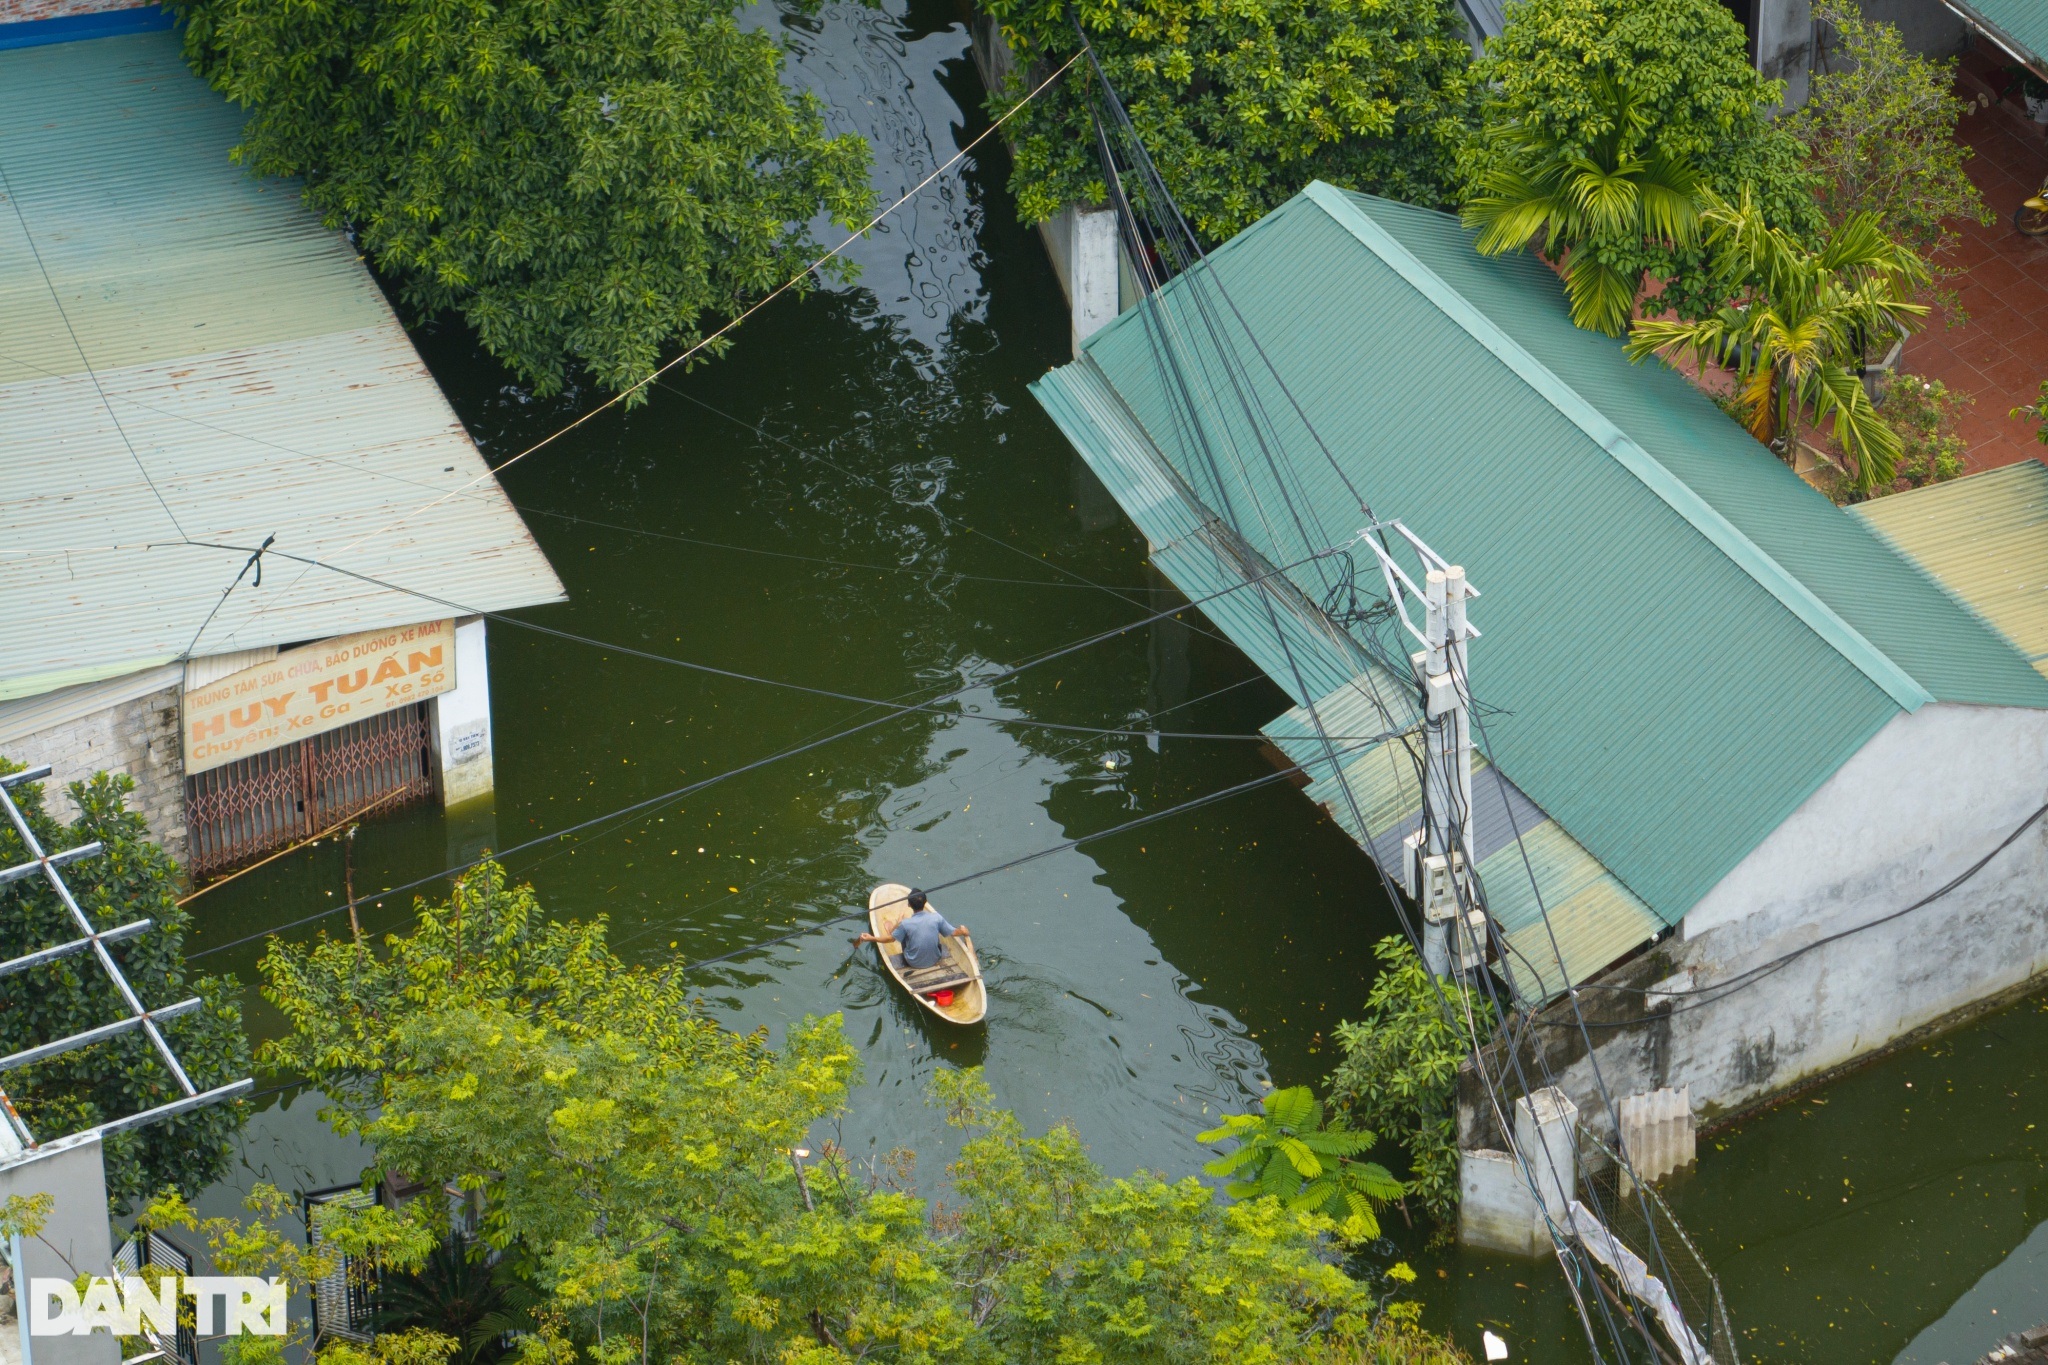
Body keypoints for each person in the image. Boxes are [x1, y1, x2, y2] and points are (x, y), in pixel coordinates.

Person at [858, 889, 968, 970]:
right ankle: (895, 928)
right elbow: (954, 932)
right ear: (925, 901)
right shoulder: (936, 917)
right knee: (934, 931)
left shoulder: (906, 924)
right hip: (935, 958)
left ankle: (894, 929)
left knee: (901, 933)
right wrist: (963, 931)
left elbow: (890, 940)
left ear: (909, 905)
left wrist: (871, 938)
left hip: (913, 962)